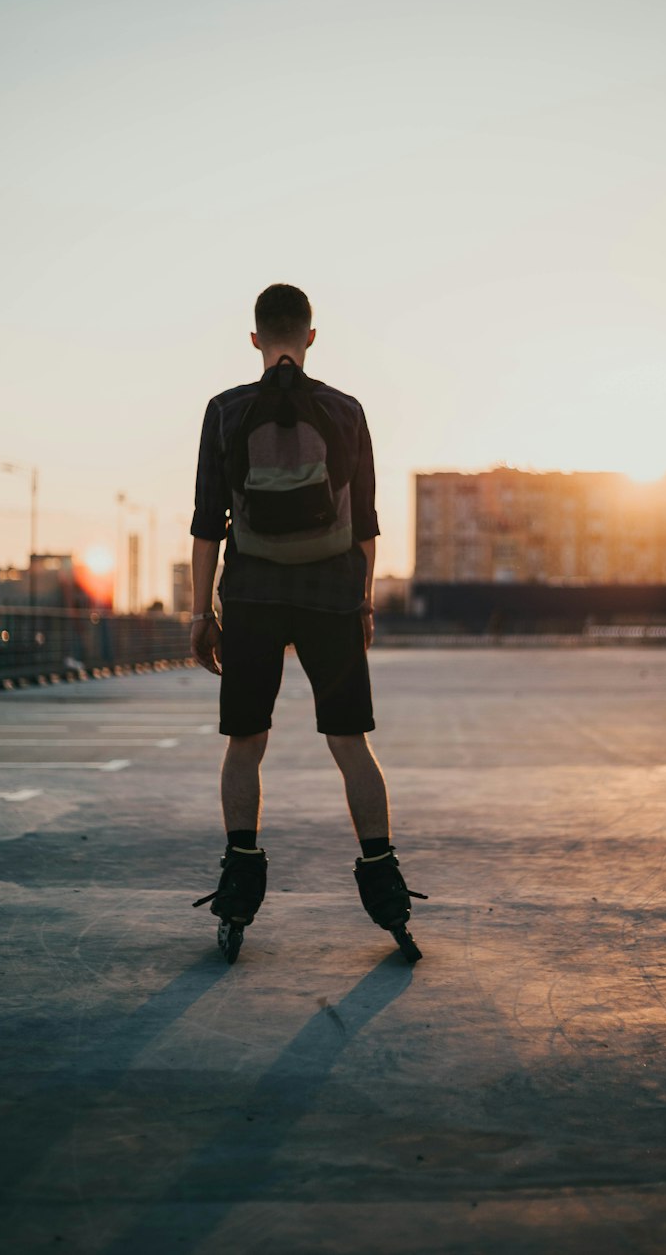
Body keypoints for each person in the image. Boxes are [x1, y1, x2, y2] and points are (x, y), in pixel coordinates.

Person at [189, 283, 423, 960]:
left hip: (254, 596)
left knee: (245, 743)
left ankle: (238, 890)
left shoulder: (228, 411)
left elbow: (208, 525)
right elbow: (368, 527)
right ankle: (385, 886)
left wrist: (202, 612)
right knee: (351, 744)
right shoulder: (345, 411)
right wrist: (365, 602)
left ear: (257, 337)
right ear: (312, 337)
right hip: (332, 596)